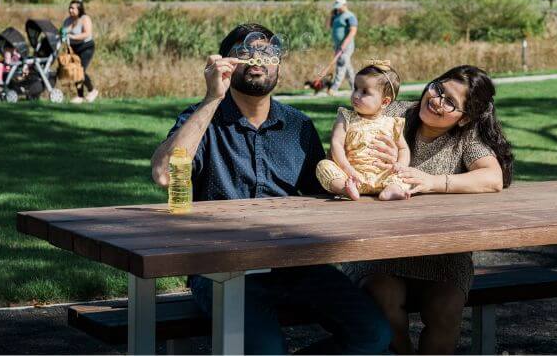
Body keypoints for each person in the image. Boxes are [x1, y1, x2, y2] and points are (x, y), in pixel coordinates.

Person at [150, 23, 391, 355]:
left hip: (296, 265)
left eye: (268, 53)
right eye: (245, 52)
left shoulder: (298, 126)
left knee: (374, 333)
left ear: (279, 64)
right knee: (266, 349)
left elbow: (327, 189)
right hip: (222, 269)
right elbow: (164, 175)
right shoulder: (200, 120)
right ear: (225, 64)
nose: (257, 60)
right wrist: (211, 98)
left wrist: (374, 172)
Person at [343, 65, 514, 354]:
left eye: (450, 102)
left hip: (443, 254)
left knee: (446, 308)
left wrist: (432, 182)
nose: (436, 100)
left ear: (465, 118)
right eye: (438, 88)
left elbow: (492, 177)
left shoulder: (466, 139)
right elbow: (345, 139)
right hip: (381, 250)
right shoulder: (392, 115)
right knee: (382, 295)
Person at [316, 59, 410, 201]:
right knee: (323, 166)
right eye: (355, 88)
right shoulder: (346, 117)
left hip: (384, 176)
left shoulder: (392, 123)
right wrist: (347, 169)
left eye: (364, 92)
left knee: (407, 175)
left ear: (385, 102)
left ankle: (392, 189)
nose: (356, 95)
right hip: (352, 176)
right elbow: (336, 144)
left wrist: (401, 165)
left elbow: (403, 149)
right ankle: (345, 189)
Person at [62, 0, 98, 103]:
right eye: (69, 8)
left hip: (86, 47)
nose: (70, 10)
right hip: (73, 48)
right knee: (74, 71)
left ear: (79, 9)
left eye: (73, 8)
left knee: (80, 70)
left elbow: (86, 34)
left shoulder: (85, 19)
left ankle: (92, 90)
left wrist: (72, 36)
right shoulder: (67, 21)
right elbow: (64, 32)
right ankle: (80, 96)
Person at [327, 0, 358, 95]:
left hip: (346, 45)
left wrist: (344, 44)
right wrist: (332, 15)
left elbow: (353, 31)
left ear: (345, 5)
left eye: (339, 6)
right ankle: (355, 87)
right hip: (337, 45)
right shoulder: (337, 16)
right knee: (347, 66)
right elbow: (330, 26)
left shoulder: (350, 16)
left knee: (341, 64)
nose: (337, 8)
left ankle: (334, 88)